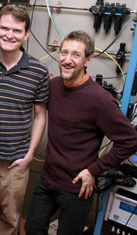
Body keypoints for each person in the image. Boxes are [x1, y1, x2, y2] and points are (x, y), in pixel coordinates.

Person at [25, 31, 137, 235]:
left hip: (77, 188)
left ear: (88, 60)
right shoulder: (53, 86)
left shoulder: (100, 100)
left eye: (76, 55)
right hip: (47, 180)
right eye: (64, 52)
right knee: (32, 229)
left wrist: (93, 170)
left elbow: (130, 140)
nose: (67, 60)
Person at [0, 5, 49, 235]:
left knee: (10, 219)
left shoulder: (38, 71)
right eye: (4, 28)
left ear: (26, 34)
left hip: (15, 162)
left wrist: (30, 155)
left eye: (16, 30)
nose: (9, 35)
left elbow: (40, 115)